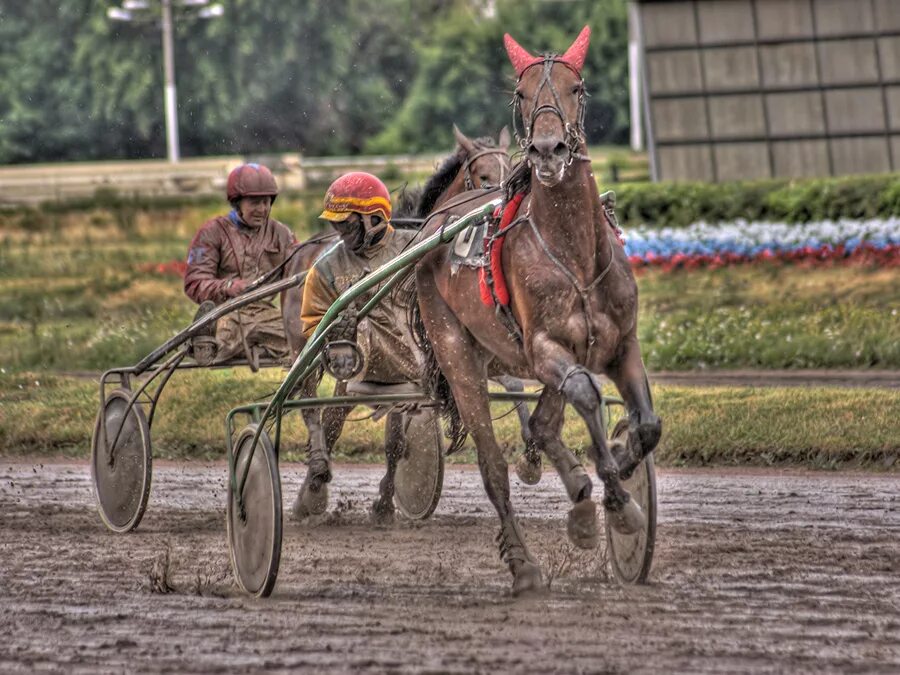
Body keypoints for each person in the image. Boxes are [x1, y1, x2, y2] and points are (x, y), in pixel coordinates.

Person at [293, 172, 422, 519]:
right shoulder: (325, 269)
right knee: (354, 336)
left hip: (415, 356)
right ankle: (317, 470)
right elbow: (312, 325)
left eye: (347, 226)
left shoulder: (414, 247)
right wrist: (336, 330)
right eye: (336, 226)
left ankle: (389, 488)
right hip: (358, 362)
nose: (340, 234)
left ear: (375, 218)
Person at [184, 163, 296, 366]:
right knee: (219, 346)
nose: (262, 209)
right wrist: (229, 287)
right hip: (225, 313)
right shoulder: (212, 232)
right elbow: (194, 283)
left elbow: (301, 276)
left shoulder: (282, 235)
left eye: (266, 202)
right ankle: (203, 338)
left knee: (303, 339)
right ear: (236, 203)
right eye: (254, 203)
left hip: (266, 315)